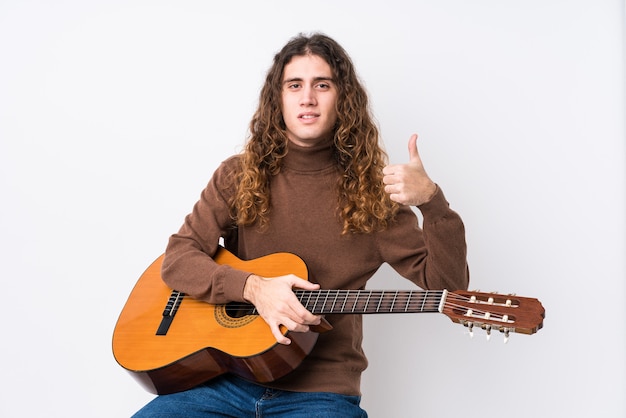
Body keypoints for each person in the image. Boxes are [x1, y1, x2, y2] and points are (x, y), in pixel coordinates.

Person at [132, 32, 469, 417]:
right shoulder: (238, 175)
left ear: (343, 98)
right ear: (278, 99)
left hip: (321, 395)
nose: (307, 97)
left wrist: (433, 203)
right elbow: (178, 259)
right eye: (295, 85)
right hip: (223, 380)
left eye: (322, 85)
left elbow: (448, 289)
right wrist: (253, 288)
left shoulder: (376, 193)